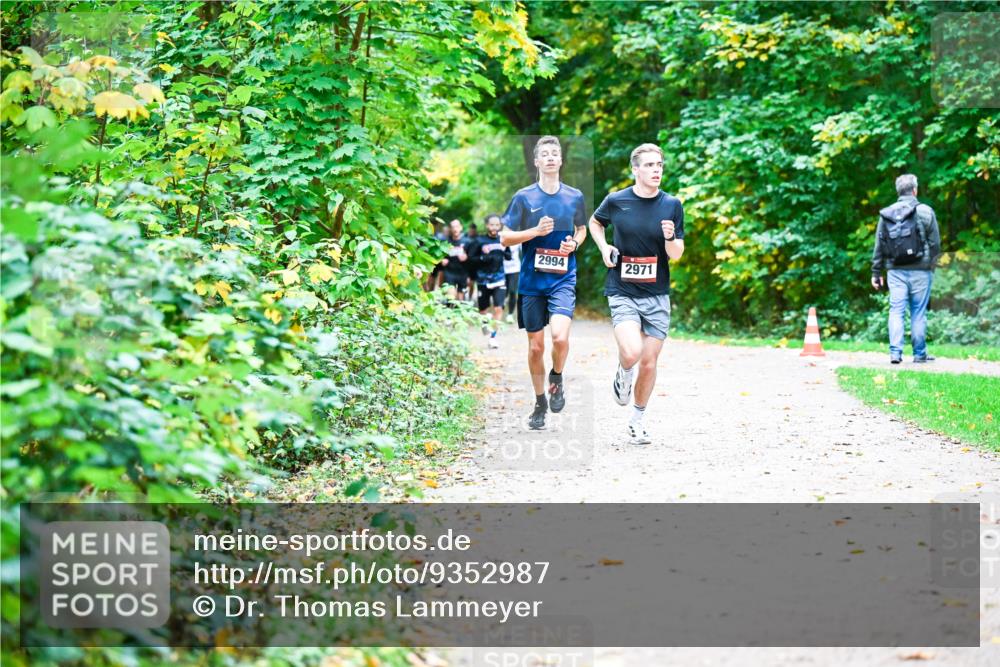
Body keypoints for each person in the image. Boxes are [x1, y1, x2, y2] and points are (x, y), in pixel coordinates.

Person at [588, 143, 684, 445]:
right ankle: (622, 373)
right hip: (623, 289)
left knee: (650, 362)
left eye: (659, 165)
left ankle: (637, 420)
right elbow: (595, 223)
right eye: (650, 165)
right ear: (635, 169)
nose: (656, 170)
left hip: (656, 293)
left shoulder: (672, 205)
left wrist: (670, 237)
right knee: (632, 352)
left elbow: (677, 254)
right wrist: (605, 247)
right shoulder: (617, 200)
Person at [500, 136, 588, 430]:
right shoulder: (524, 197)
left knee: (560, 338)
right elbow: (505, 236)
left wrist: (574, 244)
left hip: (563, 277)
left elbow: (582, 229)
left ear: (561, 161)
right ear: (537, 162)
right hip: (531, 281)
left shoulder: (574, 196)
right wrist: (535, 232)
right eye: (545, 154)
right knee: (536, 347)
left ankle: (557, 377)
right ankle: (539, 402)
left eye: (555, 153)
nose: (551, 158)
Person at [871, 173, 941, 364]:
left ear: (898, 191)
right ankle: (919, 355)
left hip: (895, 271)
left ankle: (895, 353)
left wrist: (876, 272)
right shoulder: (926, 211)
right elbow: (935, 244)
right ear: (915, 190)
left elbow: (880, 245)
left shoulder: (887, 214)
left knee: (896, 310)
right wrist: (931, 266)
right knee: (918, 312)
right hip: (921, 269)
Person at [469, 214, 511, 349]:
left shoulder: (503, 240)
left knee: (499, 308)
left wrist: (504, 251)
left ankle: (493, 338)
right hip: (483, 280)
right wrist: (482, 257)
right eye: (492, 224)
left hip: (499, 279)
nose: (494, 227)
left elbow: (509, 257)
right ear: (487, 225)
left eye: (497, 225)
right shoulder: (479, 241)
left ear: (500, 226)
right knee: (483, 311)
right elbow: (471, 259)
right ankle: (485, 322)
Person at [440, 219, 472, 301]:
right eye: (453, 227)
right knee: (451, 298)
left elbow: (473, 258)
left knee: (461, 301)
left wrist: (467, 257)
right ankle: (449, 310)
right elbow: (439, 255)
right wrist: (442, 260)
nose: (455, 229)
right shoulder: (445, 242)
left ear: (461, 228)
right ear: (450, 229)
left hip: (462, 273)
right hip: (449, 272)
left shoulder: (468, 242)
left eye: (457, 226)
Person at [502, 224, 522, 323]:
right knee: (503, 292)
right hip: (501, 270)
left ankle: (510, 314)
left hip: (514, 269)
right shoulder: (499, 238)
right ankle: (501, 307)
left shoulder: (518, 238)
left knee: (513, 291)